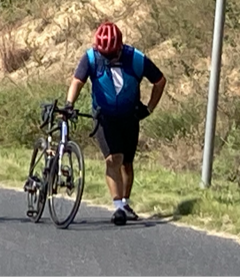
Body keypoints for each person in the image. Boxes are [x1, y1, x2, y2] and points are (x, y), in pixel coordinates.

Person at [66, 21, 166, 226]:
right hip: (104, 117)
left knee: (127, 163)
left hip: (130, 116)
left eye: (112, 55)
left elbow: (159, 81)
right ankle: (118, 207)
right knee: (114, 158)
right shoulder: (92, 58)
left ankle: (125, 203)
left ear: (120, 47)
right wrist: (69, 104)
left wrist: (149, 108)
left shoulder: (136, 58)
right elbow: (78, 81)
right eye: (105, 55)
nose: (109, 58)